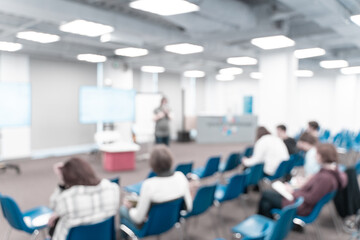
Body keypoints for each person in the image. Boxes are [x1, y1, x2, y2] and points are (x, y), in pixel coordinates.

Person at [257, 143, 347, 219]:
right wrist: (304, 184)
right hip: (300, 200)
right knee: (266, 203)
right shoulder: (329, 172)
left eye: (317, 154)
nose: (315, 156)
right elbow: (314, 189)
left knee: (266, 195)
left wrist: (292, 192)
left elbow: (312, 198)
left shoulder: (326, 178)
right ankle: (271, 227)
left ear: (322, 157)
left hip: (301, 205)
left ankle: (267, 227)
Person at [48, 158, 120, 240]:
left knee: (53, 224)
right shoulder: (112, 188)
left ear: (67, 179)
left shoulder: (67, 199)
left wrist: (62, 179)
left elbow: (52, 205)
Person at [120, 145, 192, 225]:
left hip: (152, 226)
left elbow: (138, 219)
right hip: (173, 220)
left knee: (123, 209)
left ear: (152, 165)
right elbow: (189, 207)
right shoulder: (180, 176)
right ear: (170, 160)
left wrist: (130, 209)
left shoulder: (149, 184)